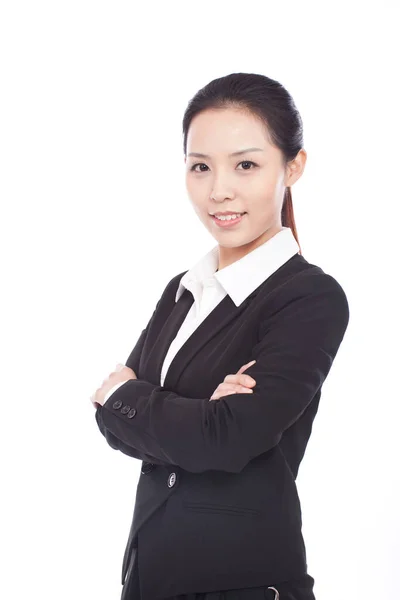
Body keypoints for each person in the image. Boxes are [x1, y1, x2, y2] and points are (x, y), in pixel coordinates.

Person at [92, 72, 350, 600]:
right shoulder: (184, 288)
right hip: (149, 577)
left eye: (247, 165)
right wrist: (186, 411)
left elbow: (231, 438)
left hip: (244, 583)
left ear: (293, 166)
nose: (219, 191)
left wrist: (131, 396)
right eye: (200, 167)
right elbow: (110, 419)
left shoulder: (309, 298)